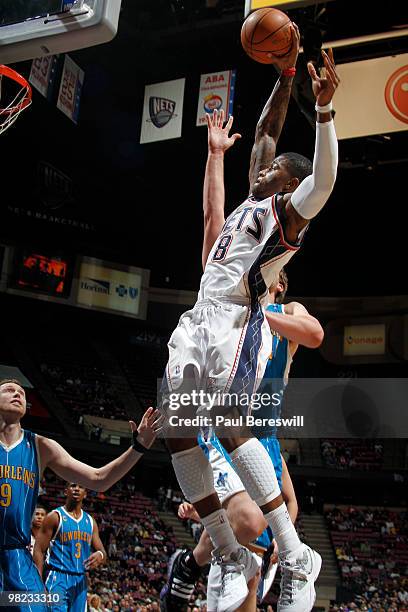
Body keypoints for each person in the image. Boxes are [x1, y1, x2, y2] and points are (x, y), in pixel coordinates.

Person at [161, 24, 339, 610]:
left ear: (288, 184)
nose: (259, 168)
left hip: (235, 321)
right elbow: (264, 131)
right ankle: (226, 552)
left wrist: (325, 112)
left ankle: (295, 553)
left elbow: (325, 180)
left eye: (272, 172)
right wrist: (286, 74)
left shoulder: (285, 217)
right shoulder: (249, 203)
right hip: (196, 318)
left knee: (232, 422)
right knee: (178, 431)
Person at [161, 270, 323, 611]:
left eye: (274, 272)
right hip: (223, 423)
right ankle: (196, 563)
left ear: (280, 284)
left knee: (248, 564)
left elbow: (315, 333)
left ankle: (196, 565)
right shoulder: (237, 306)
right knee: (248, 522)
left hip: (264, 435)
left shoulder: (286, 311)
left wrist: (263, 315)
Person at [0, 378, 161, 608]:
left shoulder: (40, 446)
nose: (17, 394)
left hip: (18, 561)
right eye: (8, 390)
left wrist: (139, 447)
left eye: (22, 393)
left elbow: (99, 479)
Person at [34, 482, 106, 612]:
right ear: (66, 491)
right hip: (57, 577)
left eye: (81, 486)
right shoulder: (54, 517)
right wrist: (39, 582)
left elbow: (102, 552)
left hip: (80, 579)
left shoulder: (90, 522)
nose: (77, 489)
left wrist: (100, 555)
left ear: (86, 494)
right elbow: (38, 550)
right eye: (73, 486)